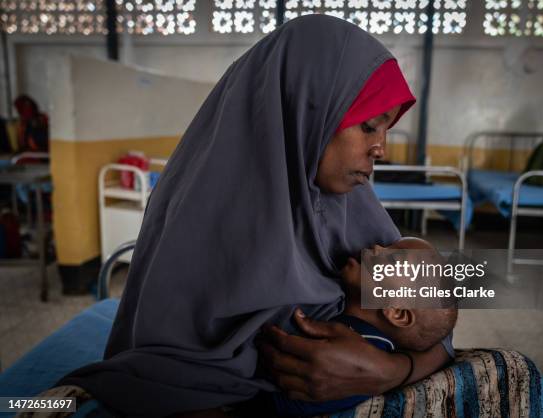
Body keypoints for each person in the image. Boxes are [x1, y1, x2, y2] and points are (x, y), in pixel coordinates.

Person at [41, 15, 453, 417]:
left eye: (386, 131)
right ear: (307, 113)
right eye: (367, 127)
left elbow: (442, 302)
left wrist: (390, 370)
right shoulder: (201, 214)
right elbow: (171, 373)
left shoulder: (352, 200)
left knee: (515, 367)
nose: (381, 149)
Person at [270, 237, 458, 417]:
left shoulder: (358, 361)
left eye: (394, 258)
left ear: (397, 313)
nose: (376, 247)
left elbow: (289, 399)